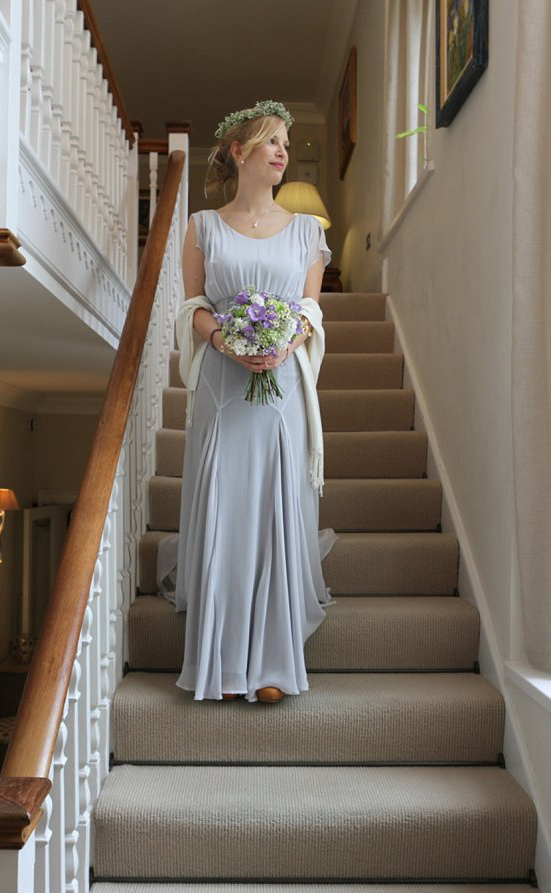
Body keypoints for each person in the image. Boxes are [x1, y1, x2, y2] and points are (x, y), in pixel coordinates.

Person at [159, 100, 335, 703]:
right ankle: (225, 661)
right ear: (240, 152)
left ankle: (270, 664)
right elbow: (192, 305)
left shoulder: (309, 232)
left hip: (281, 386)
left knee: (271, 506)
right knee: (226, 507)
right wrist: (226, 341)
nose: (284, 151)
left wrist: (286, 340)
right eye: (273, 141)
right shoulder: (202, 226)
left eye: (287, 142)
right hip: (223, 385)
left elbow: (310, 309)